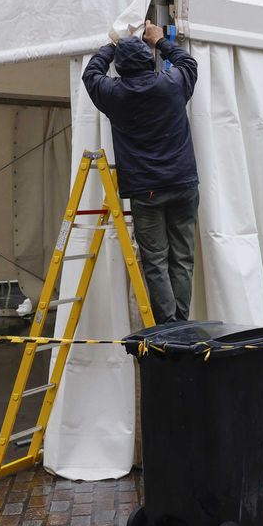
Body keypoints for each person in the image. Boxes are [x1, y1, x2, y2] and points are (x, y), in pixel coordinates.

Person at [82, 21, 200, 323]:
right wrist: (160, 41)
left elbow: (91, 74)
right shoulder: (172, 84)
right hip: (183, 183)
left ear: (119, 69)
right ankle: (181, 323)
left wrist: (112, 45)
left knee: (156, 260)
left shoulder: (115, 93)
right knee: (183, 258)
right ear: (150, 61)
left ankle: (169, 325)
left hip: (146, 189)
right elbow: (188, 62)